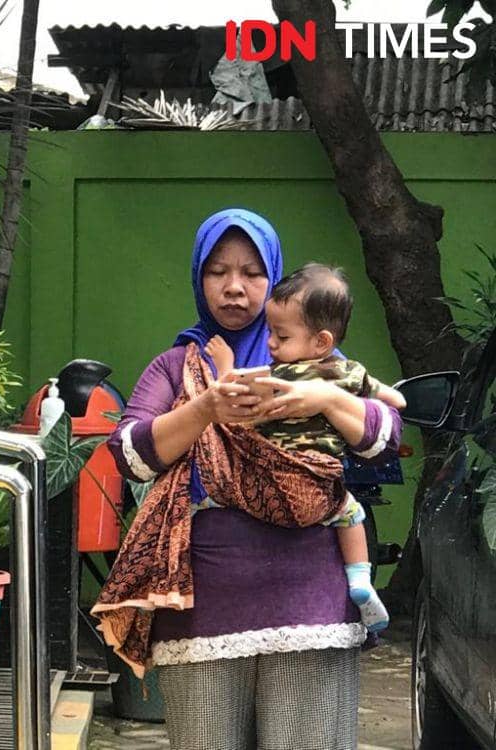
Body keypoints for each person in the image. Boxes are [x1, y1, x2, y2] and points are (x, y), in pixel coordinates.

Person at [94, 209, 402, 750]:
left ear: (274, 278)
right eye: (217, 271)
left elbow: (384, 438)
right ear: (198, 277)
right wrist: (205, 407)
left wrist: (326, 398)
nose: (234, 287)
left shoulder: (318, 362)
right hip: (203, 607)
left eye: (252, 273)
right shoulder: (176, 367)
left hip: (309, 605)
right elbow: (131, 456)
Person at [203, 262, 405, 634]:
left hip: (274, 484)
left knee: (229, 489)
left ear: (321, 341)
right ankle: (360, 579)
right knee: (351, 512)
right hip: (320, 487)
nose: (271, 345)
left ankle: (214, 502)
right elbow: (395, 400)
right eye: (271, 334)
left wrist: (225, 365)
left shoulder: (275, 376)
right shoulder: (349, 372)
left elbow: (236, 401)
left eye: (281, 337)